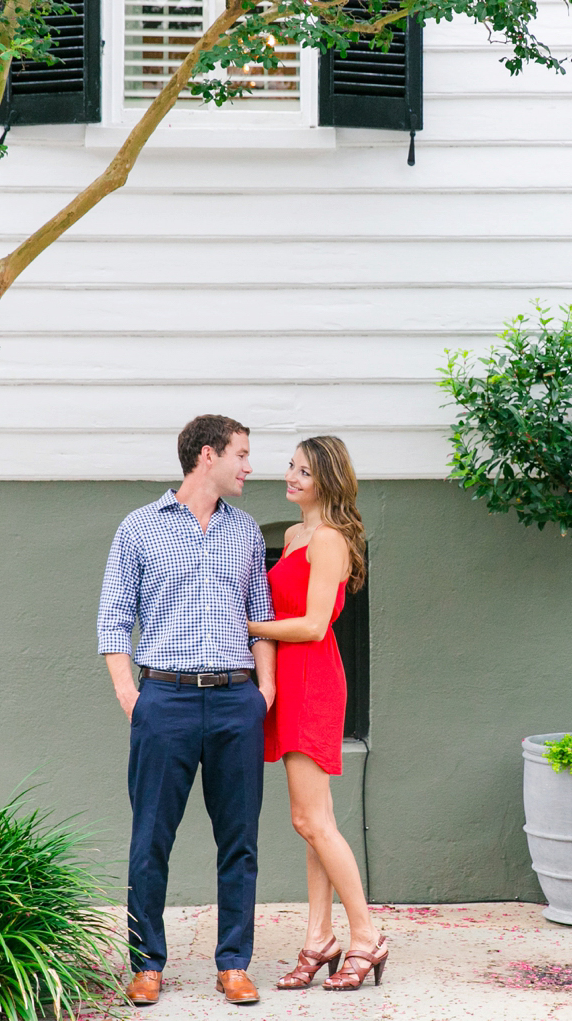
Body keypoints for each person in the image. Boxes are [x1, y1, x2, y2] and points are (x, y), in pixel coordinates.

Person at [98, 415, 277, 1007]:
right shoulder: (140, 528)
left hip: (234, 700)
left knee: (240, 838)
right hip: (164, 698)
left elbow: (262, 619)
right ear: (209, 455)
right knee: (151, 836)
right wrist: (133, 696)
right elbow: (113, 620)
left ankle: (234, 964)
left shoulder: (247, 531)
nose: (250, 466)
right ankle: (146, 963)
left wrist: (263, 695)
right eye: (242, 454)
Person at [248, 436, 388, 991]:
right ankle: (318, 938)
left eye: (303, 471)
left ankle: (367, 936)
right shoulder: (293, 535)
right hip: (290, 679)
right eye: (290, 466)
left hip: (313, 678)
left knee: (309, 820)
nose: (290, 476)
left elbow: (311, 624)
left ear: (327, 480)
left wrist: (247, 628)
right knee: (315, 823)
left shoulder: (328, 540)